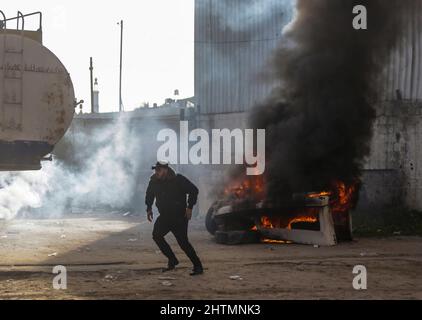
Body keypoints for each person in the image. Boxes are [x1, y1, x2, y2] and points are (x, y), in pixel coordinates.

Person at [145, 161, 204, 276]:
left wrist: (190, 207)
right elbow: (149, 194)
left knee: (183, 243)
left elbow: (194, 190)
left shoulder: (178, 180)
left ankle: (198, 266)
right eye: (155, 170)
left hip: (179, 218)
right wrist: (149, 208)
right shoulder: (154, 181)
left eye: (159, 170)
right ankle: (172, 259)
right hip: (165, 216)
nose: (156, 172)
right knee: (157, 235)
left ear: (165, 170)